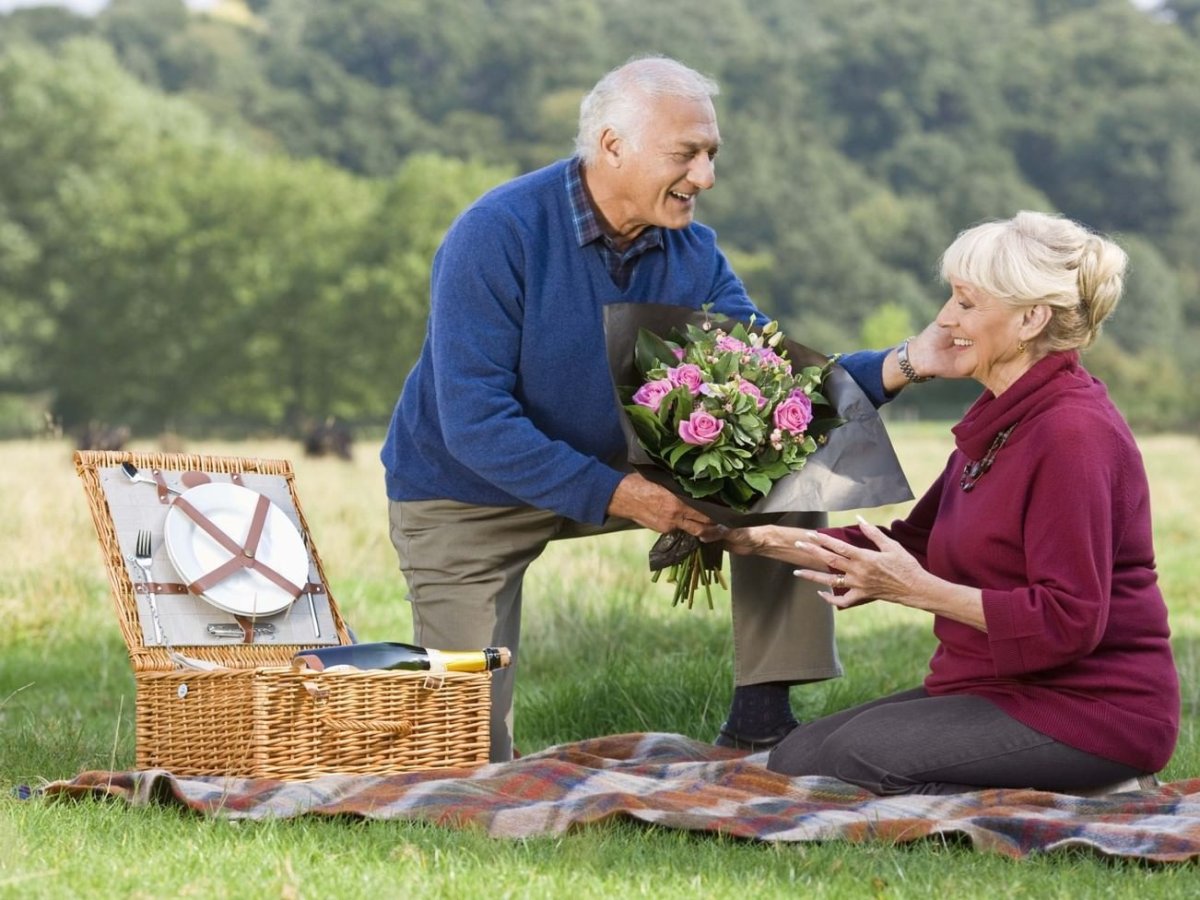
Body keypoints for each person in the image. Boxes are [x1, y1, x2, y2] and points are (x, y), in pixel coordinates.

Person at [380, 55, 945, 762]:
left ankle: (761, 720)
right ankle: (470, 751)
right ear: (612, 145)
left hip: (621, 470)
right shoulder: (496, 234)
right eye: (687, 155)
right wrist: (624, 494)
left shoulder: (693, 253)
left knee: (786, 458)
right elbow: (475, 423)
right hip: (466, 493)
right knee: (464, 756)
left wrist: (907, 362)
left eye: (711, 154)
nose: (705, 177)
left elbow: (775, 386)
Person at [722, 211, 1180, 795]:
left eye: (966, 303)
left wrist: (913, 589)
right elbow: (911, 545)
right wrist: (755, 538)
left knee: (852, 764)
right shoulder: (1002, 416)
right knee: (800, 756)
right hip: (994, 686)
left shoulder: (1073, 435)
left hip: (1091, 711)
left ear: (1030, 319)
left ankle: (1086, 786)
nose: (944, 317)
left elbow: (1068, 623)